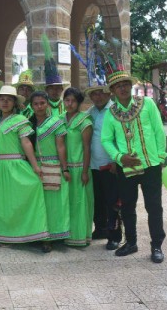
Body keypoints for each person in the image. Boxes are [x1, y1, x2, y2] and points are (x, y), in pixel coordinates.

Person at [101, 68, 167, 263]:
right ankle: (131, 242)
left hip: (151, 165)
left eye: (125, 84)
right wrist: (120, 157)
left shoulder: (146, 104)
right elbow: (106, 140)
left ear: (131, 86)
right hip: (126, 168)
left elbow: (158, 130)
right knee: (128, 207)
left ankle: (157, 245)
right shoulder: (111, 113)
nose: (122, 88)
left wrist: (161, 156)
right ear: (112, 90)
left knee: (154, 207)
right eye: (117, 86)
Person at [0, 85, 49, 245]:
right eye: (2, 100)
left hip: (15, 165)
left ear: (14, 103)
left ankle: (30, 234)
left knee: (19, 199)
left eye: (9, 100)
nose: (5, 103)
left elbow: (26, 143)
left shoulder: (20, 120)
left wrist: (34, 166)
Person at [29, 91, 70, 252]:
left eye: (42, 103)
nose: (39, 107)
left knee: (53, 204)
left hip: (52, 165)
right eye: (36, 104)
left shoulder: (56, 122)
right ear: (31, 106)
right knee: (37, 203)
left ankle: (51, 237)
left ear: (47, 103)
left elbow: (61, 146)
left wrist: (64, 168)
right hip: (34, 167)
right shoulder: (28, 123)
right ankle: (37, 233)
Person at [85, 85, 123, 250]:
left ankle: (115, 235)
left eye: (101, 93)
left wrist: (116, 160)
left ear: (109, 94)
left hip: (110, 164)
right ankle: (100, 229)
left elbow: (121, 137)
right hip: (93, 164)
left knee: (112, 201)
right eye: (94, 94)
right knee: (97, 200)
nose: (98, 97)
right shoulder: (90, 112)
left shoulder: (115, 111)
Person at [62, 87, 94, 247]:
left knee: (80, 203)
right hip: (64, 168)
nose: (69, 103)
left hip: (80, 167)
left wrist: (85, 171)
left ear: (79, 103)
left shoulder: (84, 121)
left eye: (73, 101)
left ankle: (80, 236)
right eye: (67, 100)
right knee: (65, 202)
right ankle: (64, 233)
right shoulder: (60, 119)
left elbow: (87, 147)